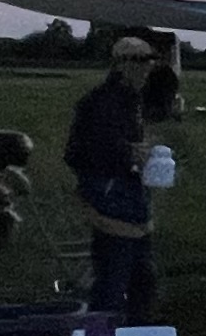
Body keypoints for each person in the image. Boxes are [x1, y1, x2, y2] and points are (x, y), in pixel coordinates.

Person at [64, 35, 160, 319]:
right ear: (120, 65)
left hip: (128, 195)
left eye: (150, 61)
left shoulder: (131, 100)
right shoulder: (102, 102)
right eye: (140, 61)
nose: (147, 68)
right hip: (109, 198)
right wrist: (129, 153)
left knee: (142, 278)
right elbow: (82, 151)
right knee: (112, 282)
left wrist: (136, 154)